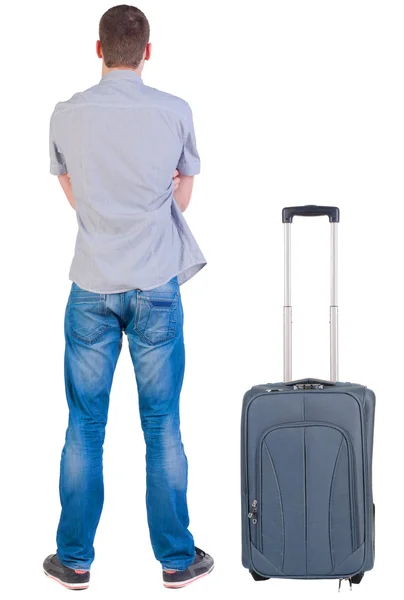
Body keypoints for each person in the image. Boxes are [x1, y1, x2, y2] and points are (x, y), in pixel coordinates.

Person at [43, 4, 213, 590]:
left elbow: (74, 196)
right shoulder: (175, 112)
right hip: (156, 288)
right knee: (162, 425)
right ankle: (175, 560)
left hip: (91, 285)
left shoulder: (66, 115)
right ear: (147, 51)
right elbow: (181, 200)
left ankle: (74, 560)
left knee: (84, 426)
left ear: (98, 50)